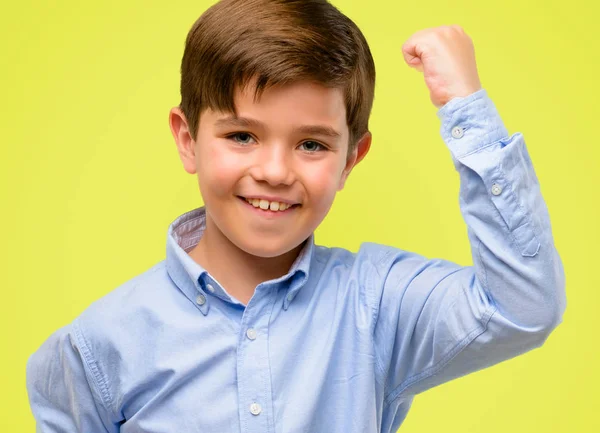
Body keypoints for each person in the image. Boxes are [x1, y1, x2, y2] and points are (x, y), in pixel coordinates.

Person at [26, 0, 566, 432]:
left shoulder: (378, 305)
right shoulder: (100, 343)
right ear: (188, 140)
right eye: (242, 136)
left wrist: (467, 110)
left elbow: (523, 308)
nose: (275, 171)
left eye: (311, 144)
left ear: (351, 159)